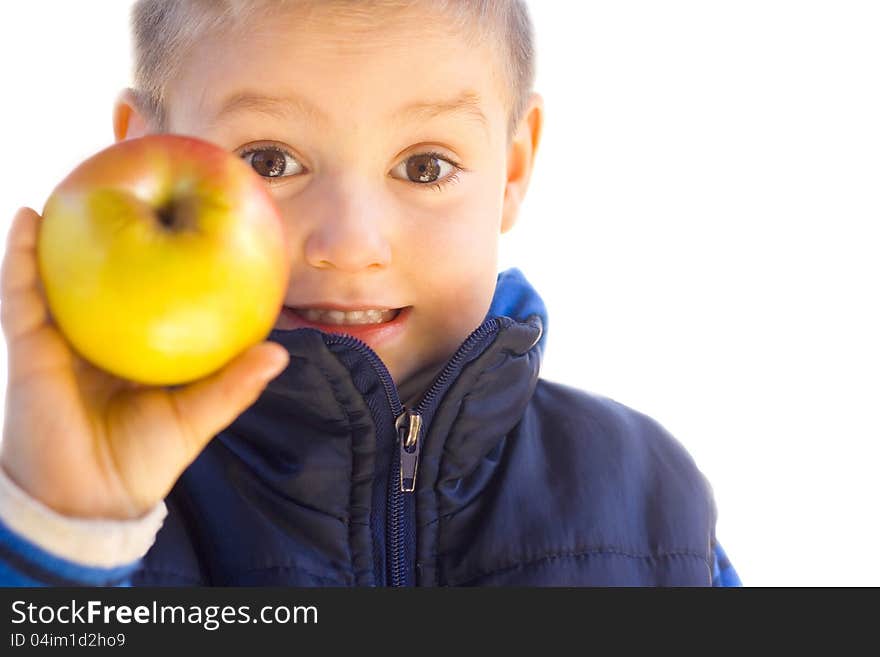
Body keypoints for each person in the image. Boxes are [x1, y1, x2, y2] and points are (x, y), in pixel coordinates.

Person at [0, 0, 741, 587]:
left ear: (513, 171)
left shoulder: (651, 505)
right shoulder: (83, 506)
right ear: (145, 157)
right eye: (270, 159)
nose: (351, 245)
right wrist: (63, 536)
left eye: (424, 166)